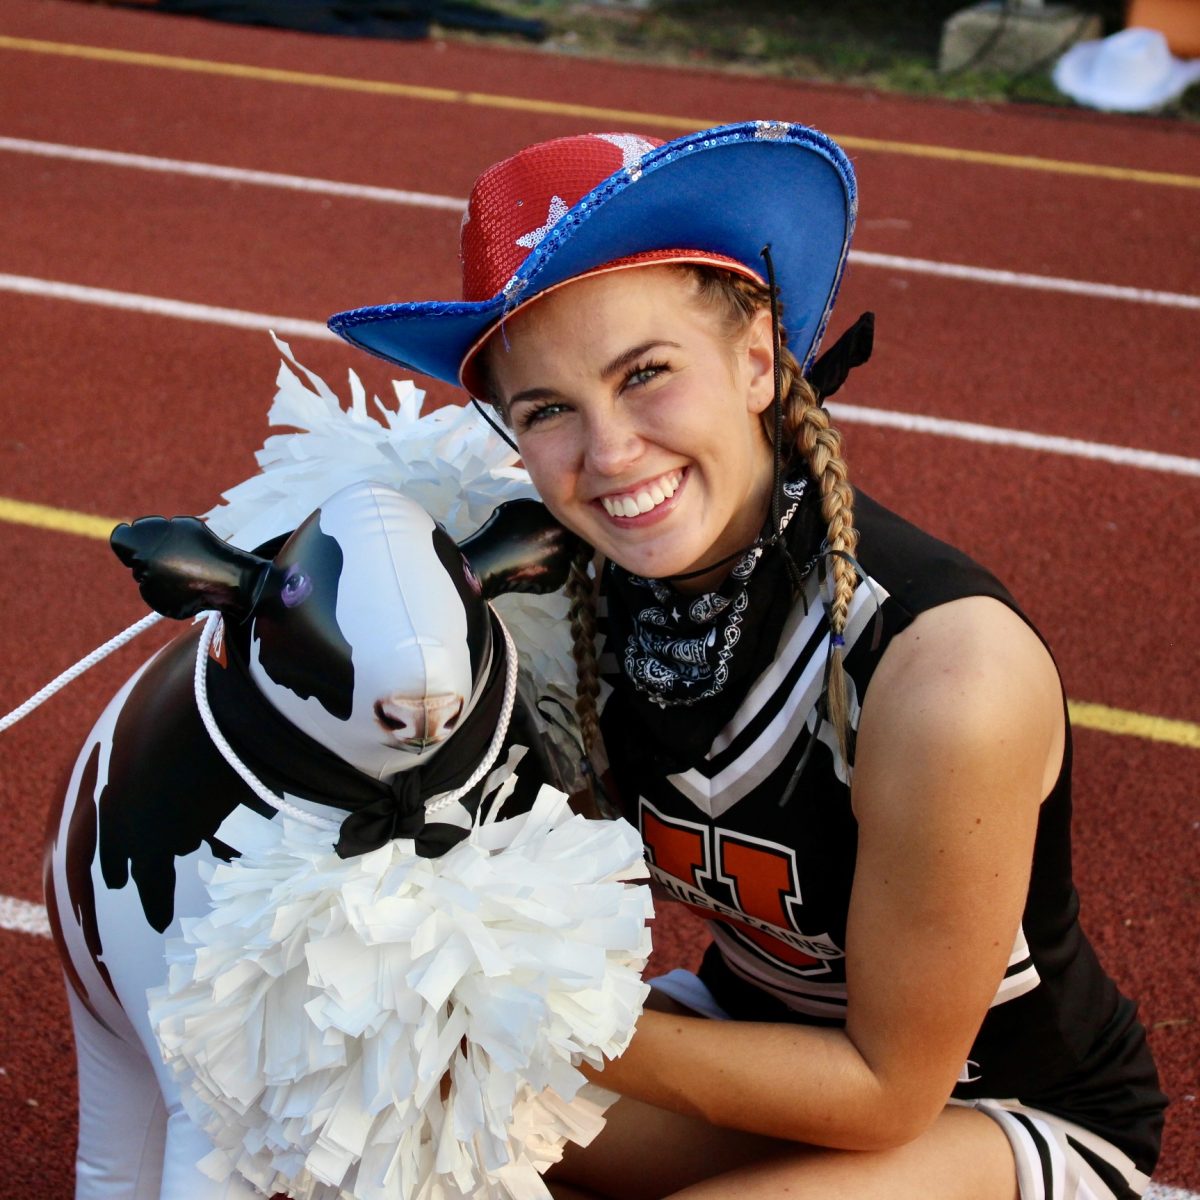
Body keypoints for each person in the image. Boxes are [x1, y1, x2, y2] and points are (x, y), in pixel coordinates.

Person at [329, 121, 1166, 1200]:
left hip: (989, 1114)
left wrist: (510, 1007)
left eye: (646, 374)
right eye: (548, 411)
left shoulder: (947, 677)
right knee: (383, 1103)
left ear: (759, 358)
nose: (611, 454)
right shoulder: (568, 601)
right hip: (761, 1046)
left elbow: (886, 1092)